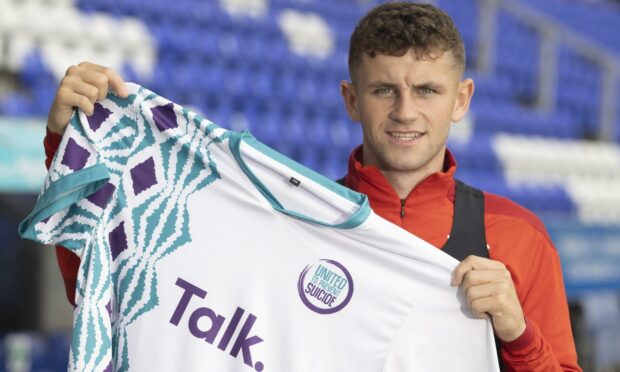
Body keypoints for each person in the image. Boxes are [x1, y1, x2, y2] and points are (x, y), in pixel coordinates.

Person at [43, 2, 580, 371]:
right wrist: (67, 139)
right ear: (351, 98)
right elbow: (126, 293)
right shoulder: (288, 220)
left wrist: (517, 333)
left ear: (461, 99)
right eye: (384, 89)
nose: (406, 111)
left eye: (427, 90)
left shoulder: (517, 239)